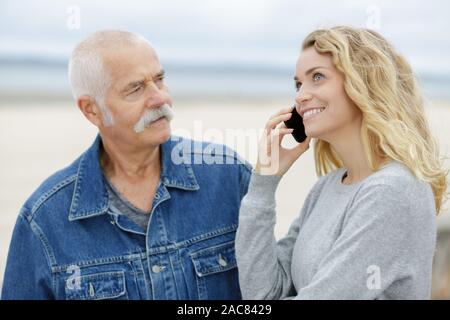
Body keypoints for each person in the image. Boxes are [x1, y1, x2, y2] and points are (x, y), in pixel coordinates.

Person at [2, 30, 251, 300]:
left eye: (160, 79)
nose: (160, 98)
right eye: (136, 88)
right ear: (91, 110)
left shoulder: (227, 176)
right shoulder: (44, 219)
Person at [235, 26, 448, 299]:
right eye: (298, 84)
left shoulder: (393, 191)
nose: (300, 96)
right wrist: (265, 181)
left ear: (364, 83)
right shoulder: (326, 188)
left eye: (318, 77)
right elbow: (262, 294)